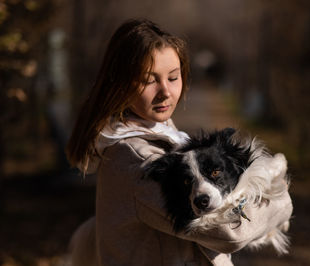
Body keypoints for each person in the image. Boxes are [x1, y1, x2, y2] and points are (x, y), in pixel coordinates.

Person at [65, 19, 293, 266]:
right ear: (119, 84)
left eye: (173, 78)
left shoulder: (163, 136)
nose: (165, 91)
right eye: (148, 80)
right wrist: (281, 202)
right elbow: (231, 233)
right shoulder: (137, 159)